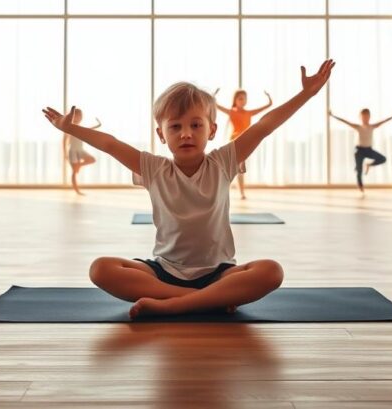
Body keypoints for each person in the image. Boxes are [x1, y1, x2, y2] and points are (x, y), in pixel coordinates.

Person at [42, 60, 335, 318]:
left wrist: (306, 93)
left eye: (196, 125)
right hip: (164, 272)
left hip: (219, 274)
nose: (186, 133)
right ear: (161, 134)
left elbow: (264, 125)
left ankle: (173, 305)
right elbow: (110, 144)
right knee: (100, 269)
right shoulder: (153, 169)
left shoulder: (224, 162)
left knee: (271, 271)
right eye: (175, 126)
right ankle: (195, 301)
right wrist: (71, 129)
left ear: (212, 130)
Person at [215, 89, 272, 199]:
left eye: (244, 99)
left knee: (238, 168)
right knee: (237, 167)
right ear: (235, 100)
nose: (243, 101)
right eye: (240, 98)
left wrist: (269, 98)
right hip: (235, 140)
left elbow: (268, 106)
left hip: (245, 141)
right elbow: (217, 106)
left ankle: (240, 192)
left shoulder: (248, 113)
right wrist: (214, 96)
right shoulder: (232, 111)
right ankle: (236, 191)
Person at [329, 108, 392, 193]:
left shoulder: (372, 126)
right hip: (359, 151)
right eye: (363, 117)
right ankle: (360, 186)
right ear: (360, 117)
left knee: (383, 159)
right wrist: (333, 116)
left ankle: (368, 165)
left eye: (367, 117)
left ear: (369, 117)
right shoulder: (358, 127)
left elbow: (384, 121)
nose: (365, 119)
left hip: (368, 150)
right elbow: (345, 122)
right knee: (359, 170)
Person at [64, 108, 100, 196]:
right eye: (78, 115)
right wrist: (64, 154)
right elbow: (64, 141)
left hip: (80, 150)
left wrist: (98, 125)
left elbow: (89, 129)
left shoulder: (81, 127)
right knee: (74, 172)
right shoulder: (69, 127)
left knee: (92, 159)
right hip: (73, 151)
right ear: (73, 116)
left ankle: (79, 165)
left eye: (81, 116)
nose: (80, 117)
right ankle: (77, 190)